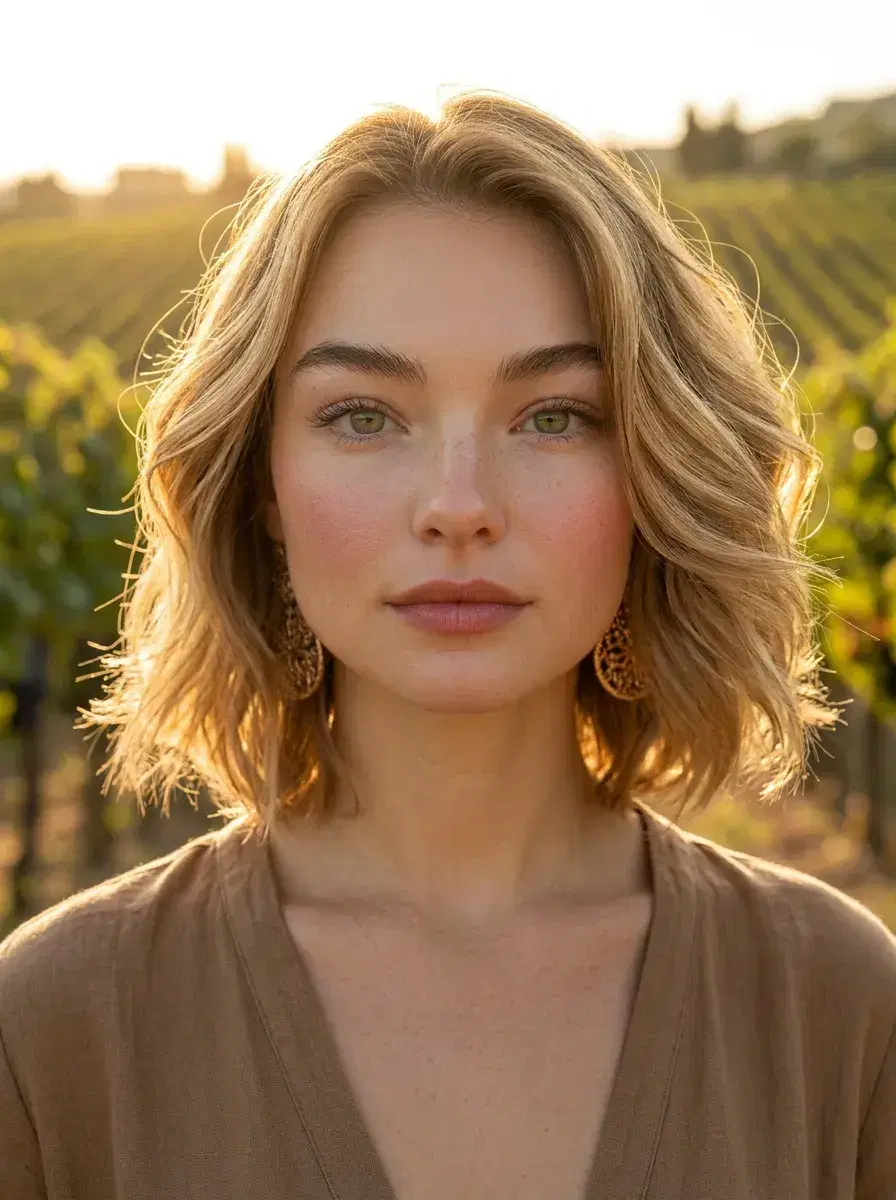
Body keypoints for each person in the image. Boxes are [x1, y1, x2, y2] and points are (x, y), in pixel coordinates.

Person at [1, 89, 894, 1200]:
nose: (457, 505)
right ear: (261, 486)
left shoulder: (843, 1010)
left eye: (554, 415)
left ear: (653, 471)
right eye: (363, 415)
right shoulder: (48, 1032)